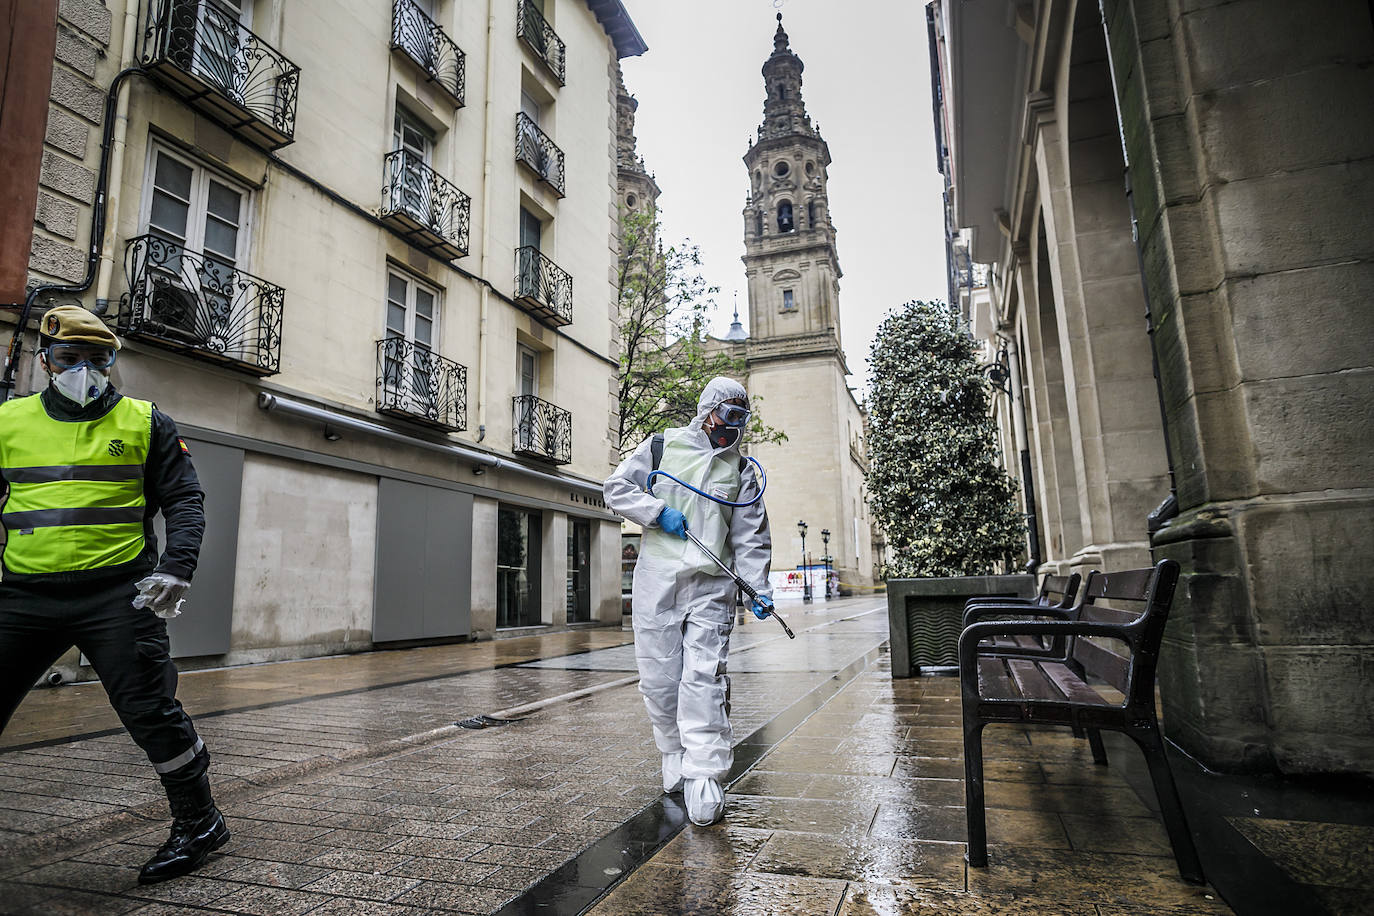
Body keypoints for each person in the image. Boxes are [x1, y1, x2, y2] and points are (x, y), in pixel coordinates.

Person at [0, 305, 228, 883]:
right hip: (24, 596)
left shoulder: (145, 421)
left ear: (113, 363)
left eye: (98, 359)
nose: (84, 369)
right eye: (71, 358)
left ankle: (199, 821)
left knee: (150, 711)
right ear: (46, 361)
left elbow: (184, 499)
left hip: (119, 597)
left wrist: (176, 569)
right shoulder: (8, 421)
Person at [604, 377, 773, 826]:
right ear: (709, 410)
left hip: (712, 585)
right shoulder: (662, 448)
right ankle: (672, 751)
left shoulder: (742, 471)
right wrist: (657, 514)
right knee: (659, 679)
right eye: (730, 415)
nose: (734, 427)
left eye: (743, 418)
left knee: (703, 677)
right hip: (657, 580)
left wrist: (757, 587)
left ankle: (704, 775)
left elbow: (751, 539)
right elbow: (617, 489)